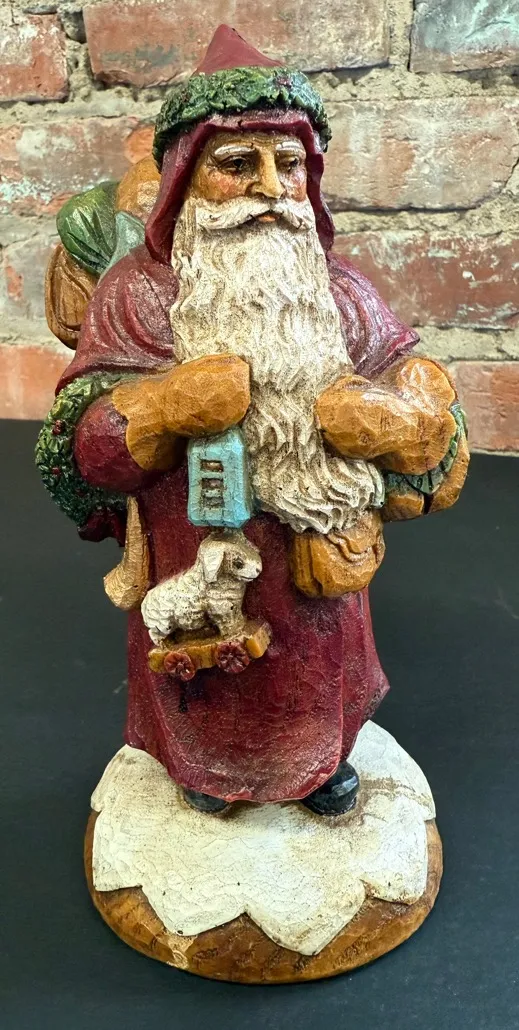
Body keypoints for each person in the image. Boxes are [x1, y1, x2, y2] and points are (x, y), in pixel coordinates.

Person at [38, 26, 468, 816]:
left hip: (319, 556)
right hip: (189, 537)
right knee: (202, 660)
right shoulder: (139, 296)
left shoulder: (338, 290)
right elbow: (78, 440)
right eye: (238, 164)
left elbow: (418, 381)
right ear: (185, 176)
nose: (269, 186)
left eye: (289, 165)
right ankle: (203, 768)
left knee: (319, 657)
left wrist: (404, 416)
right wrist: (162, 406)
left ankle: (321, 761)